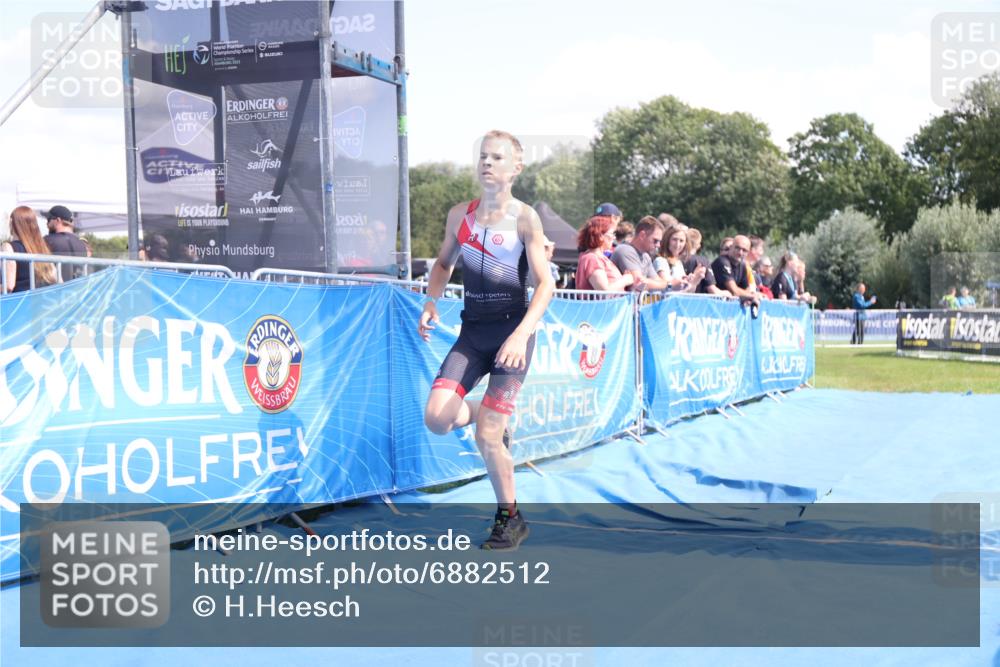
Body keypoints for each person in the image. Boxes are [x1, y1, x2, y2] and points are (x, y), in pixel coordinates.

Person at [419, 130, 554, 551]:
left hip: (513, 335)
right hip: (473, 333)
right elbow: (443, 264)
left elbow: (546, 285)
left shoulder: (525, 218)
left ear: (516, 168)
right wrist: (431, 302)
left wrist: (521, 334)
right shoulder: (460, 215)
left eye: (498, 157)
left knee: (488, 437)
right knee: (437, 419)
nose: (488, 163)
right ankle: (490, 415)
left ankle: (510, 518)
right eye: (483, 156)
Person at [2, 206, 56, 292]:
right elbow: (54, 277)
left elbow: (9, 286)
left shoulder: (8, 247)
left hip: (18, 302)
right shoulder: (42, 247)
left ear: (12, 222)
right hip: (38, 301)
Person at [575, 215, 635, 291]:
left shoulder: (599, 258)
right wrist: (625, 280)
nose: (614, 238)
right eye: (612, 234)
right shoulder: (592, 259)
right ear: (600, 236)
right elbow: (604, 291)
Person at [611, 216, 668, 291]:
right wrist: (668, 284)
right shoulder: (625, 250)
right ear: (642, 235)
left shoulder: (646, 256)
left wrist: (665, 284)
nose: (658, 245)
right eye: (655, 241)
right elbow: (639, 283)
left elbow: (658, 282)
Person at [43, 205, 88, 281]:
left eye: (49, 220)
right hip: (76, 290)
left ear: (57, 220)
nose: (47, 224)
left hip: (55, 289)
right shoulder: (81, 244)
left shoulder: (47, 241)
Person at [711, 234, 759, 303]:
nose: (740, 252)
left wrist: (750, 295)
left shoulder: (743, 265)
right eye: (737, 248)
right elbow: (734, 290)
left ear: (748, 253)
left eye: (744, 250)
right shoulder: (722, 261)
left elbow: (747, 289)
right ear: (731, 247)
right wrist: (753, 296)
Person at [654, 222, 700, 293]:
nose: (678, 244)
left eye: (681, 241)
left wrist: (693, 281)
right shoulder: (660, 261)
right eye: (674, 239)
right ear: (667, 240)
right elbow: (667, 287)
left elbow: (687, 292)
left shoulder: (678, 263)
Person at [682, 227, 725, 295]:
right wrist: (727, 293)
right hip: (697, 302)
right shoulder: (702, 261)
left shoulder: (677, 260)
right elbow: (712, 290)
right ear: (698, 245)